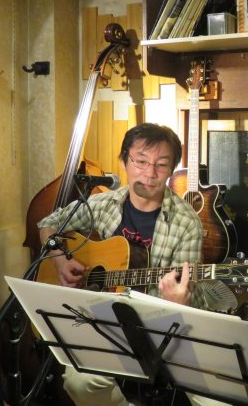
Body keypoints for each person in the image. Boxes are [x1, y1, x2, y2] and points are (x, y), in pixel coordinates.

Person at [37, 123, 207, 406]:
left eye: (161, 165)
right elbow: (47, 224)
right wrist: (60, 259)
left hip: (159, 325)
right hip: (101, 320)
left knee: (216, 397)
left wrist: (179, 301)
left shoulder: (186, 223)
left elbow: (186, 300)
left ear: (171, 169)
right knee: (80, 382)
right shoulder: (101, 204)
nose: (150, 174)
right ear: (125, 160)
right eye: (141, 161)